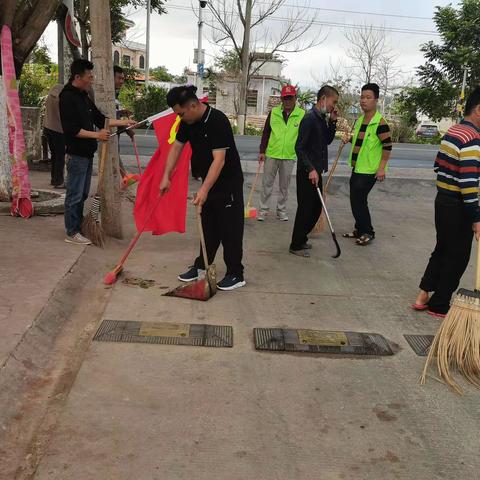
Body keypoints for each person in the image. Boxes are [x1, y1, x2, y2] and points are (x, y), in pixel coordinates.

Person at [160, 85, 245, 291]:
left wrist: (204, 190)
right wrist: (166, 176)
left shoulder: (217, 121)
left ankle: (236, 273)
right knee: (207, 226)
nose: (179, 118)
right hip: (208, 181)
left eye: (180, 113)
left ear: (192, 105)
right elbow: (177, 147)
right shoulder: (188, 122)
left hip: (227, 183)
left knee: (229, 229)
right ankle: (201, 266)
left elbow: (219, 160)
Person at [412, 86, 480, 318]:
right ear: (478, 110)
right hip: (459, 206)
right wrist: (476, 217)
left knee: (442, 249)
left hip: (442, 201)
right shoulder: (473, 139)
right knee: (458, 256)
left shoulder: (454, 131)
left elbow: (437, 165)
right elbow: (469, 183)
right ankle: (439, 304)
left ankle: (423, 295)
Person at [60, 59, 135, 245]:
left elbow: (100, 118)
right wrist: (97, 135)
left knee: (83, 194)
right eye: (89, 76)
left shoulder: (84, 95)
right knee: (74, 195)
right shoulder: (67, 97)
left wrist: (124, 123)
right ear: (78, 77)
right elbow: (71, 130)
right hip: (76, 154)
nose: (91, 79)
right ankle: (72, 231)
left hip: (86, 154)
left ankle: (78, 227)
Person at [289, 85, 339, 257]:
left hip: (317, 171)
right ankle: (295, 244)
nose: (334, 106)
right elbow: (299, 147)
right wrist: (310, 169)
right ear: (323, 99)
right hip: (307, 172)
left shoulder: (321, 118)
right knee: (305, 209)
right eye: (334, 102)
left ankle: (302, 239)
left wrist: (332, 122)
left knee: (316, 208)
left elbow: (327, 140)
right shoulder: (309, 118)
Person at [342, 83, 392, 246]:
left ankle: (368, 231)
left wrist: (381, 168)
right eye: (362, 97)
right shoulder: (360, 120)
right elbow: (360, 139)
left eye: (368, 97)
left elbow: (387, 146)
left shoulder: (380, 123)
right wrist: (349, 139)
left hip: (370, 170)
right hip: (357, 167)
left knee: (359, 200)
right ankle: (359, 228)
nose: (364, 100)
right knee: (355, 200)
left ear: (376, 100)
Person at [257, 85, 305, 222]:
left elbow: (304, 136)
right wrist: (262, 150)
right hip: (272, 154)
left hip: (289, 156)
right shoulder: (274, 112)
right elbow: (266, 132)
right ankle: (263, 210)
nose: (287, 101)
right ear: (282, 100)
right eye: (285, 98)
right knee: (267, 184)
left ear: (295, 98)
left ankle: (281, 210)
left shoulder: (302, 115)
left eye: (290, 98)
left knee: (284, 187)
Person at [43, 83, 66, 188]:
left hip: (47, 127)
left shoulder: (52, 92)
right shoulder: (63, 96)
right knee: (60, 156)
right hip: (58, 129)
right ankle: (58, 181)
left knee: (54, 155)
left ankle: (54, 179)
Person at [113, 65, 134, 177]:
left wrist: (121, 112)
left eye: (123, 79)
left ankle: (124, 177)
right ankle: (124, 177)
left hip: (116, 132)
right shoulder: (107, 94)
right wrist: (126, 128)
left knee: (115, 153)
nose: (121, 81)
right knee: (114, 153)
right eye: (119, 78)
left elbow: (114, 113)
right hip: (109, 132)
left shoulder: (115, 92)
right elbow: (108, 117)